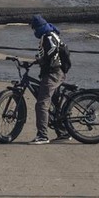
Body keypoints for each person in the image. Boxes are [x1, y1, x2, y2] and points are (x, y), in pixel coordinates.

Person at [28, 15, 68, 145]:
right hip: (57, 71)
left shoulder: (48, 36)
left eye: (34, 29)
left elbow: (51, 50)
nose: (34, 32)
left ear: (38, 27)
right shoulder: (51, 34)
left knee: (42, 104)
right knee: (55, 103)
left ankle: (42, 136)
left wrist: (42, 60)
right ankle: (63, 133)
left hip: (53, 73)